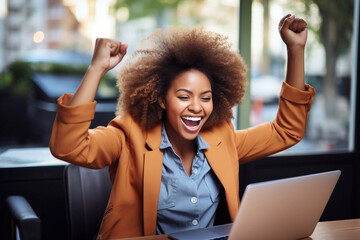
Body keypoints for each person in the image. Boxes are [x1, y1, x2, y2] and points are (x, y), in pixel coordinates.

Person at [50, 14, 315, 239]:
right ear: (162, 99)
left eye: (206, 97)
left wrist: (296, 50)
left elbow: (286, 131)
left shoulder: (221, 138)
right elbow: (69, 146)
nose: (197, 107)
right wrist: (97, 68)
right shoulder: (128, 135)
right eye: (184, 96)